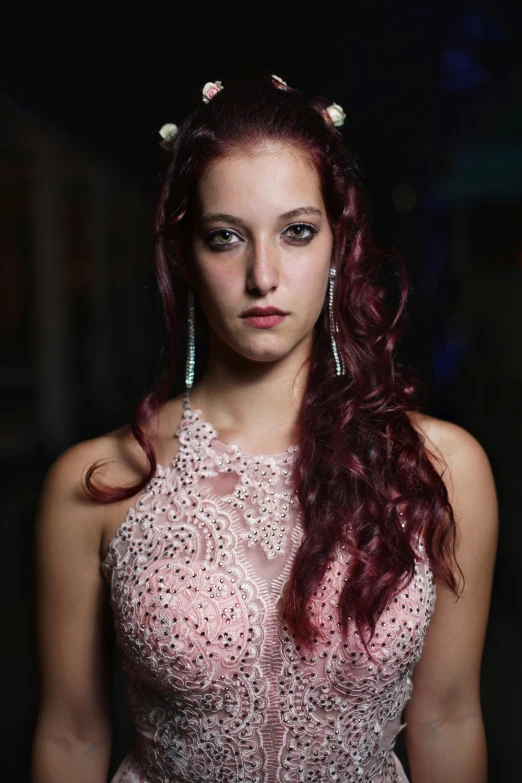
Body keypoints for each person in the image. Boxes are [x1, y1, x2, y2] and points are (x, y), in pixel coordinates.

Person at [31, 75, 498, 783]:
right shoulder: (97, 484)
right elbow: (71, 736)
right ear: (185, 255)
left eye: (298, 231)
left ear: (340, 246)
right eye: (225, 238)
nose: (263, 275)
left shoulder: (441, 469)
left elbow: (448, 716)